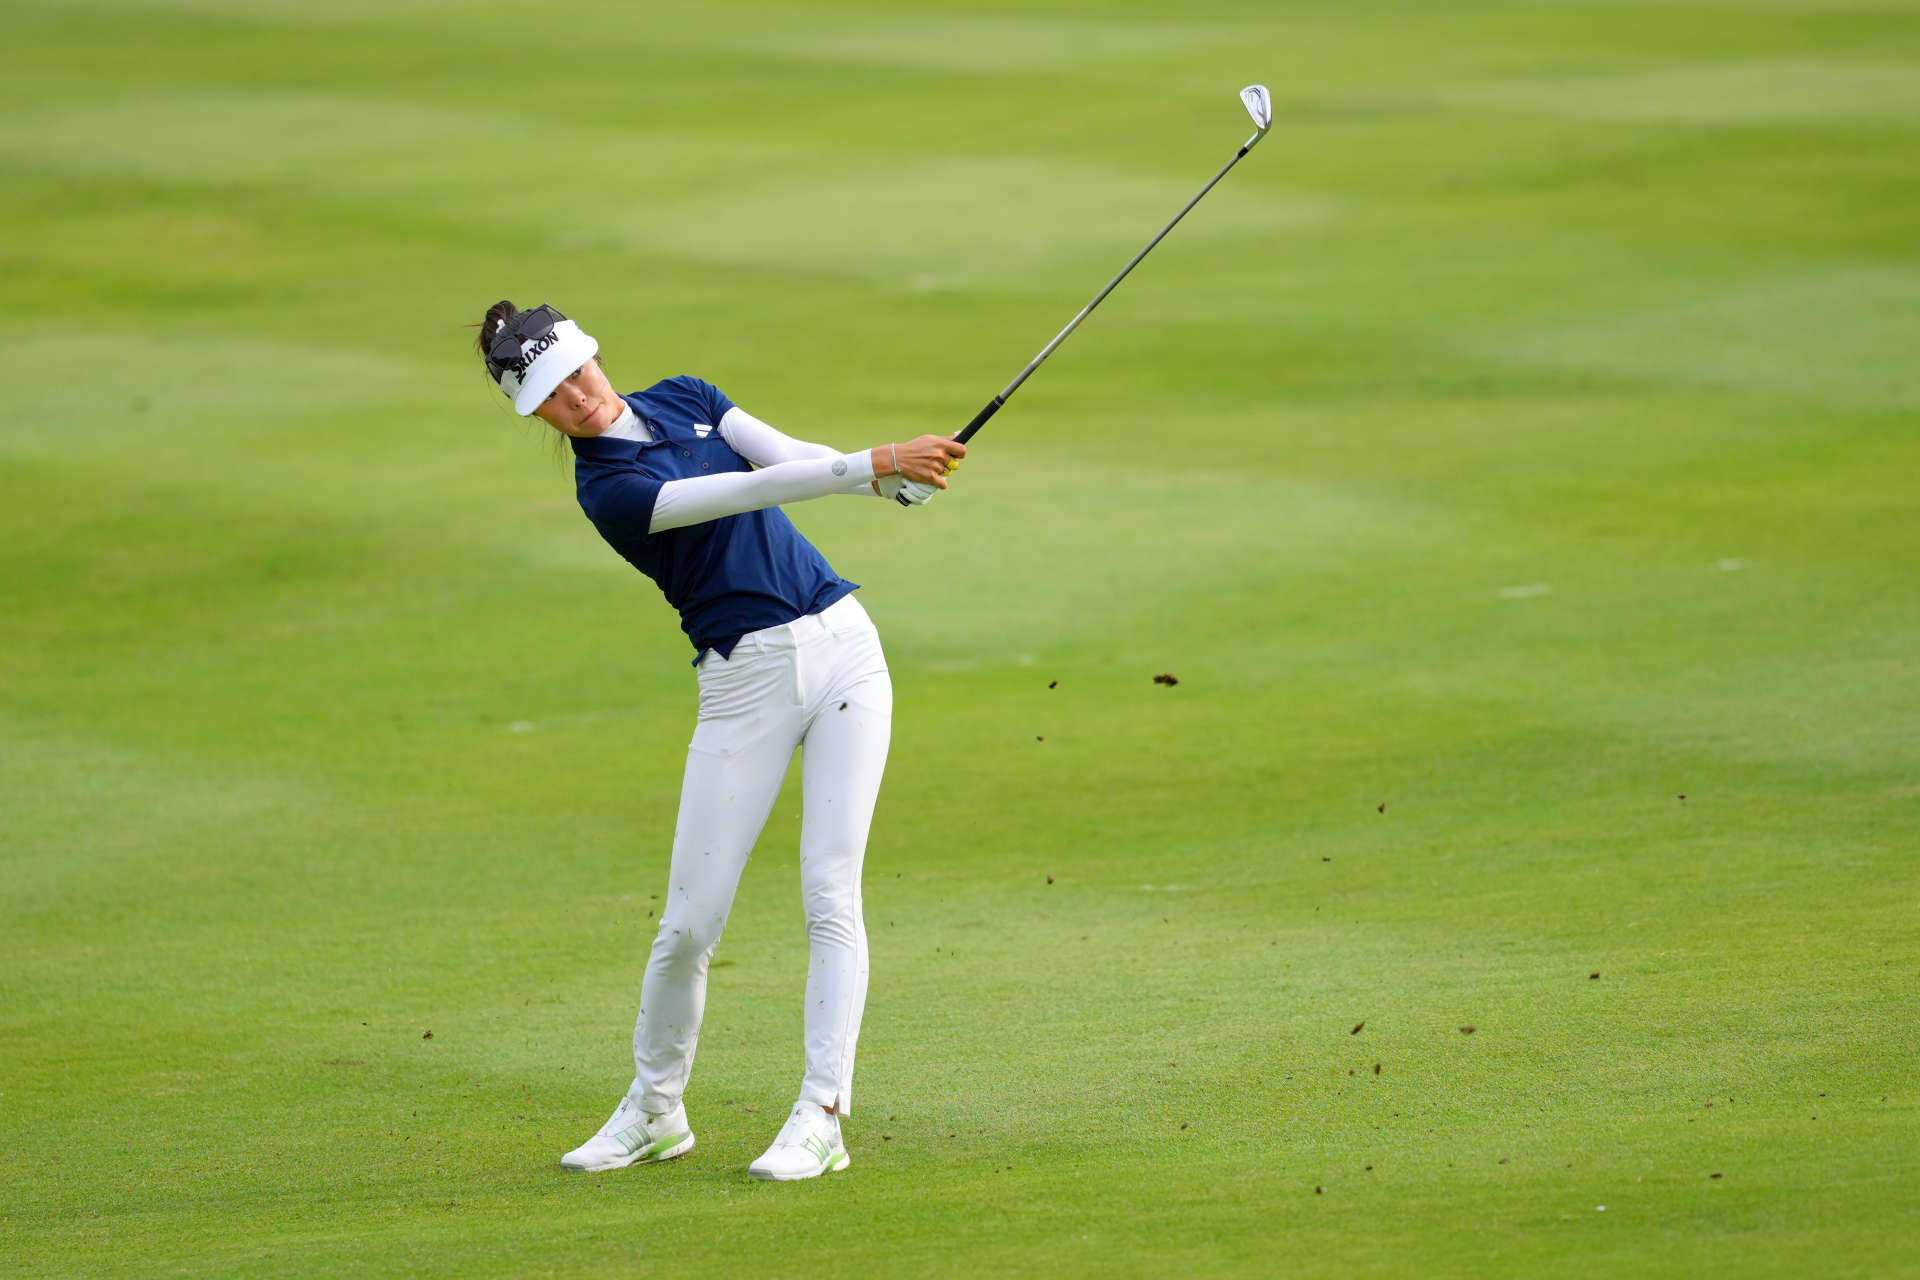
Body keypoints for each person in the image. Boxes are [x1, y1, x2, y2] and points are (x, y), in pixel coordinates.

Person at [476, 301, 964, 1181]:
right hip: (745, 687)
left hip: (848, 651)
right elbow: (747, 491)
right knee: (689, 924)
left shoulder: (688, 395)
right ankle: (656, 1110)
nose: (576, 399)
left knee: (830, 891)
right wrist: (880, 459)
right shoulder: (610, 493)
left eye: (576, 374)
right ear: (536, 413)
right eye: (551, 397)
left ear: (594, 357)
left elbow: (790, 459)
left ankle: (821, 1115)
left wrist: (879, 482)